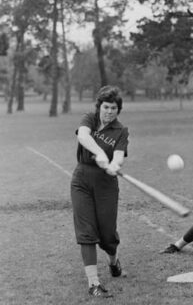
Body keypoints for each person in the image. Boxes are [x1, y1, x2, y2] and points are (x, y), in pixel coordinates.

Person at [70, 85, 129, 298]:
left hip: (106, 184)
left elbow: (120, 155)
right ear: (99, 107)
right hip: (82, 179)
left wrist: (114, 164)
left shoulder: (121, 131)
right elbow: (83, 136)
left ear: (117, 110)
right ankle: (94, 283)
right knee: (86, 232)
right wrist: (99, 154)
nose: (109, 111)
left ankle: (113, 262)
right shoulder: (90, 119)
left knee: (107, 235)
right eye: (106, 107)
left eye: (114, 108)